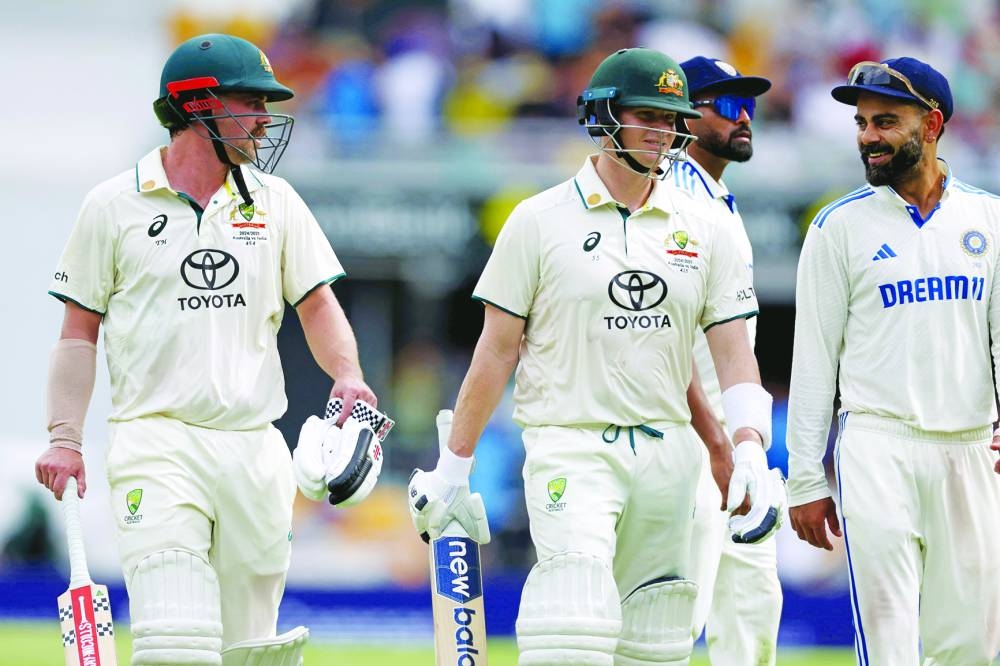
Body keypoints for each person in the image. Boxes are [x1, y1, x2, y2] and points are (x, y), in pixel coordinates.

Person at [408, 47, 784, 666]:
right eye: (648, 117)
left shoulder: (705, 225)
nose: (664, 133)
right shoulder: (537, 220)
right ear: (604, 117)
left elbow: (733, 351)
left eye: (671, 119)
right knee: (572, 623)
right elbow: (496, 351)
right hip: (571, 443)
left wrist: (746, 445)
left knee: (658, 639)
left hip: (669, 451)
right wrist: (454, 466)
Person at [34, 33, 377, 665]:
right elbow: (78, 332)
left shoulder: (277, 202)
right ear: (197, 106)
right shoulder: (112, 206)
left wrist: (348, 375)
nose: (266, 120)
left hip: (253, 446)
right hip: (155, 440)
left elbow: (318, 305)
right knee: (176, 643)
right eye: (250, 103)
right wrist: (65, 437)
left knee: (248, 648)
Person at [787, 57, 1000, 664]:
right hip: (877, 444)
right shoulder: (837, 227)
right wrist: (805, 477)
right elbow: (813, 360)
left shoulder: (989, 219)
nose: (867, 137)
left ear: (931, 125)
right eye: (861, 123)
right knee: (887, 643)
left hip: (971, 445)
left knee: (972, 645)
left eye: (885, 121)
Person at [671, 56, 782, 665]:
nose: (745, 118)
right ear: (685, 118)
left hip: (734, 441)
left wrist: (744, 444)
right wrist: (716, 440)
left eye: (750, 105)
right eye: (727, 104)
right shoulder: (674, 200)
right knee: (676, 615)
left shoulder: (716, 197)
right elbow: (667, 340)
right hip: (692, 440)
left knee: (752, 610)